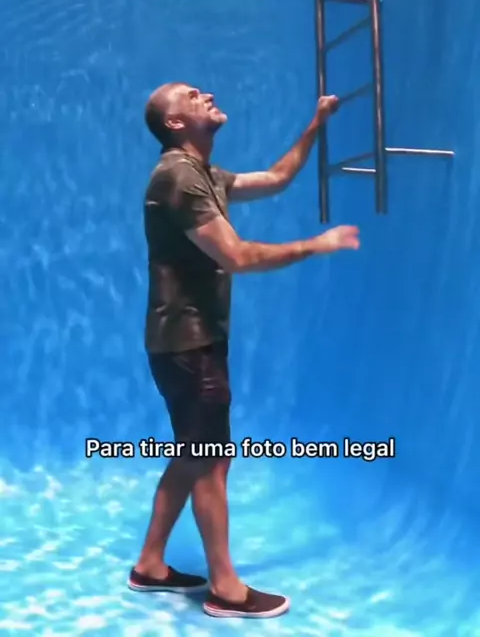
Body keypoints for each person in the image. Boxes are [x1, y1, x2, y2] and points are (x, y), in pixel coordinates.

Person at [128, 82, 360, 619]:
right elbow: (235, 256)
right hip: (188, 343)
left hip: (191, 340)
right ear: (176, 124)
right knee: (211, 460)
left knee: (195, 453)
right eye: (191, 96)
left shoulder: (206, 174)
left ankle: (150, 564)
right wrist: (314, 245)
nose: (205, 94)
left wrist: (316, 124)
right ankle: (226, 590)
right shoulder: (178, 177)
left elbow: (276, 179)